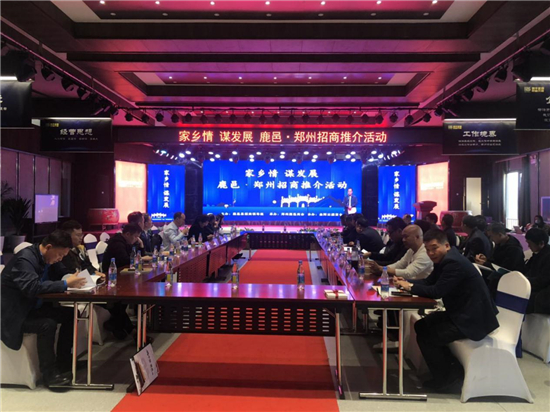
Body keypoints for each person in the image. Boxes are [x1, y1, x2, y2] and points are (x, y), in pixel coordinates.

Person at [395, 229, 499, 392]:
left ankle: (447, 379)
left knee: (430, 336)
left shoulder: (453, 263)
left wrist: (410, 287)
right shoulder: (446, 259)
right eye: (427, 249)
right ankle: (450, 370)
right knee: (422, 325)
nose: (431, 253)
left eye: (434, 248)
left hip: (473, 319)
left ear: (447, 246)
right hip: (461, 312)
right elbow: (429, 282)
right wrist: (406, 281)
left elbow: (437, 291)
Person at [1, 230, 87, 388]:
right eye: (59, 255)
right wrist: (65, 284)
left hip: (30, 308)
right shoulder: (25, 259)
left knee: (70, 314)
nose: (60, 259)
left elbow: (62, 273)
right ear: (49, 247)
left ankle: (64, 363)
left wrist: (72, 278)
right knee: (47, 324)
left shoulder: (47, 257)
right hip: (14, 315)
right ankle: (49, 374)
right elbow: (32, 288)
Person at [101, 224, 143, 339]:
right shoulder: (117, 243)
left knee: (121, 302)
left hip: (121, 275)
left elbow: (136, 258)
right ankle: (130, 330)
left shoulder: (125, 242)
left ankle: (116, 325)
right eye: (135, 237)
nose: (136, 239)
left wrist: (141, 246)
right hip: (112, 277)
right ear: (128, 234)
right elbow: (126, 260)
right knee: (120, 301)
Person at [367, 224, 433, 280]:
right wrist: (382, 269)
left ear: (417, 237)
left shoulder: (425, 252)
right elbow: (399, 265)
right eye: (403, 237)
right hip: (409, 285)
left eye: (406, 237)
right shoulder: (411, 250)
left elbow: (408, 273)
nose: (403, 240)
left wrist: (382, 269)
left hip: (419, 288)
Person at [524, 228, 550, 314]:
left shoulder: (547, 256)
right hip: (535, 284)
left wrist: (526, 281)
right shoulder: (538, 253)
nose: (528, 246)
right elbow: (527, 268)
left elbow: (544, 280)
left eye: (530, 243)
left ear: (541, 243)